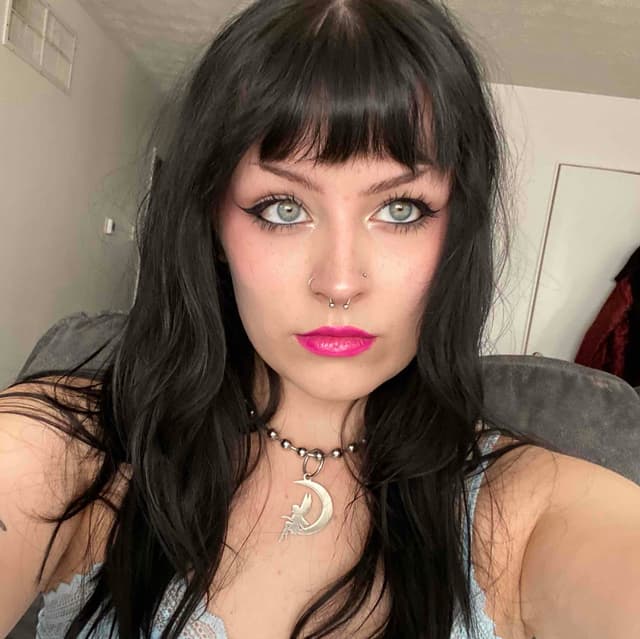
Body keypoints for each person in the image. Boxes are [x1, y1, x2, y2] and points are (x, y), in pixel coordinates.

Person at [1, 1, 639, 638]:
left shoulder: (528, 512)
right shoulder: (72, 456)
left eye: (400, 210)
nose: (339, 281)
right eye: (282, 208)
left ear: (456, 232)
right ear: (213, 227)